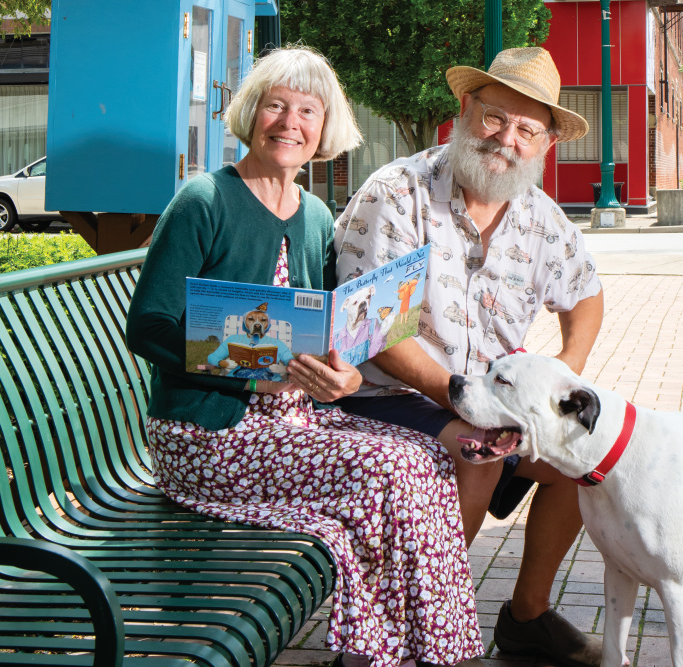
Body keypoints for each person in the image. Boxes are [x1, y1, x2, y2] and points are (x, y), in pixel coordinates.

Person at [125, 45, 483, 667]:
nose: (290, 122)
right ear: (250, 114)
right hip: (206, 432)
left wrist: (343, 372)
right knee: (388, 474)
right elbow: (149, 327)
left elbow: (324, 330)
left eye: (307, 111)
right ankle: (387, 654)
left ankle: (411, 652)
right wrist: (253, 379)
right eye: (276, 105)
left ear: (324, 128)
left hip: (296, 425)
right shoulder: (204, 201)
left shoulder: (317, 214)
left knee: (424, 456)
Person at [334, 47, 605, 667]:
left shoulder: (541, 217)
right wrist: (465, 400)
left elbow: (586, 294)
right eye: (494, 118)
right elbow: (372, 332)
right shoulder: (397, 193)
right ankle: (420, 630)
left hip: (492, 400)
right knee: (477, 451)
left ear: (544, 144)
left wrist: (564, 374)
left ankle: (527, 618)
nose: (506, 139)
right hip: (385, 398)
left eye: (527, 129)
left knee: (586, 457)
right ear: (464, 108)